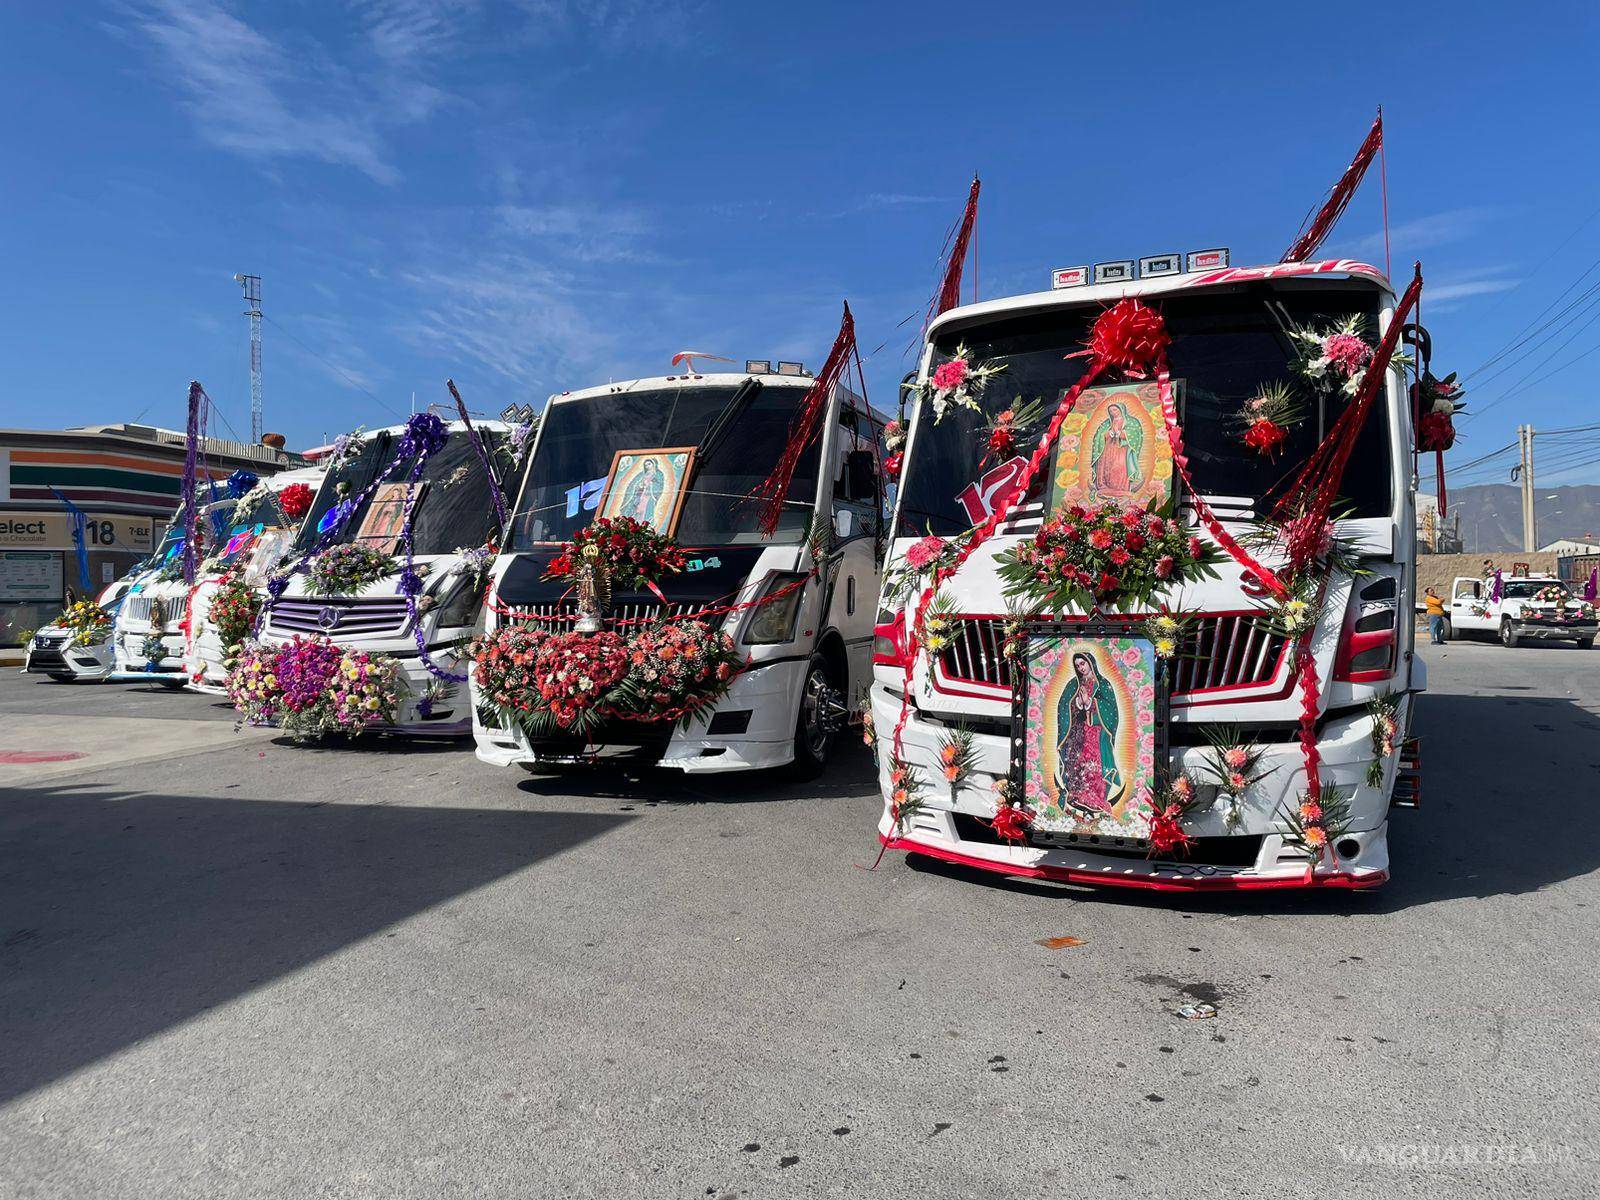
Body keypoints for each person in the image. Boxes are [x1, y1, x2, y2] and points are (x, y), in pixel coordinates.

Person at [1054, 651, 1124, 817]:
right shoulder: (1074, 684)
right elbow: (1063, 706)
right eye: (1077, 665)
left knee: (1095, 767)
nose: (1081, 668)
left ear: (1090, 662)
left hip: (1097, 734)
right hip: (1078, 734)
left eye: (1083, 663)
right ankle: (1078, 799)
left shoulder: (1103, 684)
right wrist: (1078, 703)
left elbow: (1111, 711)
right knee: (1079, 765)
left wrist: (1091, 702)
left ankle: (1095, 802)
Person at [1089, 403, 1143, 498]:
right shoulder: (1106, 423)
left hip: (1122, 449)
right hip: (1108, 449)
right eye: (1111, 411)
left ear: (1121, 410)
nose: (1113, 413)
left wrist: (1121, 433)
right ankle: (1104, 487)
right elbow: (1098, 436)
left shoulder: (1131, 422)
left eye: (1115, 410)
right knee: (1106, 467)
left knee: (1119, 467)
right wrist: (1108, 434)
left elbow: (1135, 435)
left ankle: (1121, 489)